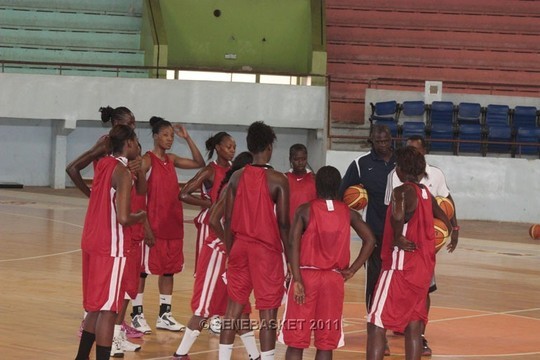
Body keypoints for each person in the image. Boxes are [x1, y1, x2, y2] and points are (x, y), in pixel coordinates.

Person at [67, 106, 146, 353]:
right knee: (109, 310)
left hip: (93, 239)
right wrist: (141, 216)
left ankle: (82, 356)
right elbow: (123, 217)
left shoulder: (104, 164)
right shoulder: (120, 170)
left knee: (95, 307)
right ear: (129, 142)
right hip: (111, 246)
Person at [280, 166, 376, 360]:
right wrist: (352, 270)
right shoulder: (348, 213)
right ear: (339, 186)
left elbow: (292, 243)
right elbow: (371, 240)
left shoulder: (305, 210)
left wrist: (296, 280)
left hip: (305, 277)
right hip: (333, 280)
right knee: (326, 341)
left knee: (296, 340)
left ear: (316, 185)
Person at [366, 146, 452, 360]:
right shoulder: (426, 194)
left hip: (399, 269)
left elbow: (397, 215)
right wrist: (449, 232)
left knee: (376, 323)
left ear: (400, 170)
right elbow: (445, 221)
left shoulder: (401, 191)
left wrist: (397, 236)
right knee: (413, 328)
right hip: (422, 271)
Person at [172, 152, 260, 360]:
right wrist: (231, 247)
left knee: (241, 309)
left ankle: (255, 356)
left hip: (234, 256)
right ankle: (180, 354)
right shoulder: (230, 188)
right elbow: (213, 220)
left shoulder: (245, 190)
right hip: (217, 253)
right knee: (204, 309)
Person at [219, 121, 289, 360]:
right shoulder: (278, 180)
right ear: (270, 147)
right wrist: (291, 261)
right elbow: (283, 225)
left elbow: (227, 220)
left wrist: (231, 252)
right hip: (265, 252)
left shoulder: (237, 176)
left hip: (240, 246)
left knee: (232, 310)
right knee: (268, 314)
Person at [384, 135, 460, 356]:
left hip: (407, 254)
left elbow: (397, 215)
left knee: (379, 318)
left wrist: (453, 229)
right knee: (416, 302)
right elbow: (438, 208)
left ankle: (403, 333)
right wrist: (448, 227)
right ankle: (410, 329)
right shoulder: (419, 189)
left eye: (416, 150)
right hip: (423, 254)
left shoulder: (426, 179)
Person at [131, 116, 205, 334]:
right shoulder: (147, 160)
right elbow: (137, 193)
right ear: (155, 136)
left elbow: (199, 163)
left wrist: (187, 137)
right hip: (153, 227)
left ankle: (165, 315)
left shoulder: (171, 159)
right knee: (142, 272)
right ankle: (137, 314)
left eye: (172, 136)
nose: (170, 139)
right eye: (165, 135)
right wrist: (145, 226)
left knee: (169, 271)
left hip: (173, 225)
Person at [179, 132, 236, 270]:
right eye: (229, 147)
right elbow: (183, 194)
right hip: (210, 222)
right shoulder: (209, 171)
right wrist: (210, 203)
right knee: (206, 268)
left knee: (227, 268)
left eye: (234, 147)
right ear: (218, 147)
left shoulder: (234, 169)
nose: (233, 150)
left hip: (228, 223)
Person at [285, 144, 317, 224]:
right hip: (290, 227)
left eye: (303, 159)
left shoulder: (315, 179)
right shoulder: (284, 179)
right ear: (290, 159)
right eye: (296, 159)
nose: (300, 162)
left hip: (310, 227)